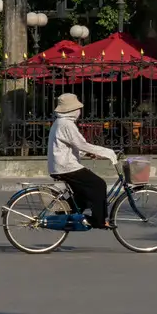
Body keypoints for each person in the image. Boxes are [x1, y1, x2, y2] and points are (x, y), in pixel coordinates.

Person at [48, 92, 116, 229]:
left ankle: (64, 214)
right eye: (77, 108)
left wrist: (88, 154)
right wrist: (107, 152)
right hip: (66, 166)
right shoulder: (66, 124)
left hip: (60, 165)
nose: (79, 111)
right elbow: (81, 144)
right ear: (71, 110)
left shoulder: (60, 122)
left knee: (83, 194)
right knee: (99, 185)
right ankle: (99, 220)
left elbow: (70, 145)